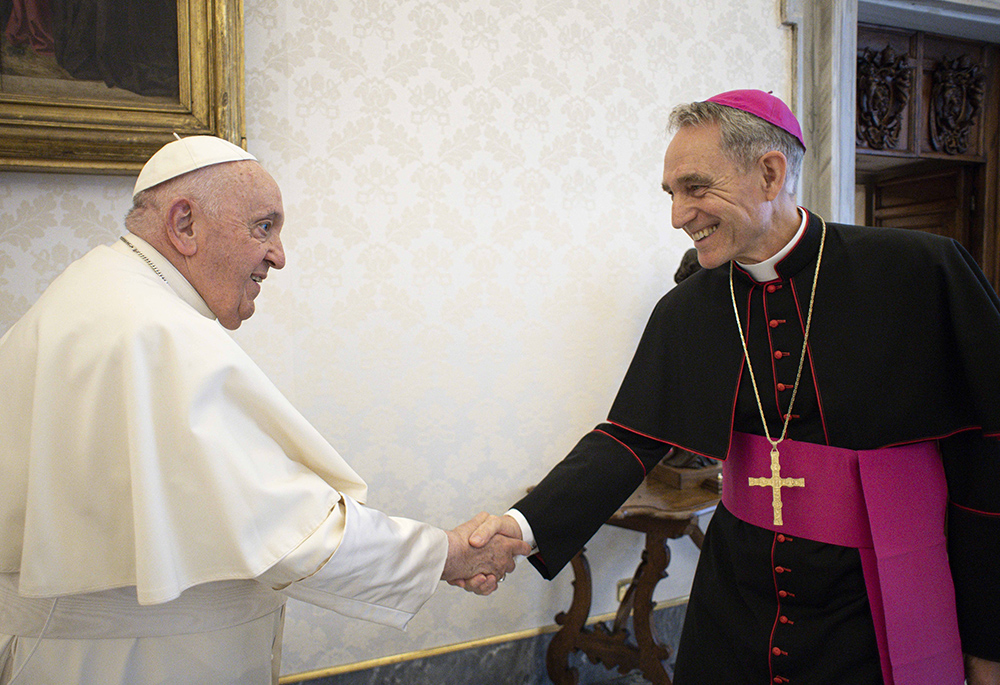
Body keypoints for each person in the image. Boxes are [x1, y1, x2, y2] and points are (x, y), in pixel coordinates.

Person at [464, 90, 1000, 684]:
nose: (677, 215)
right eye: (671, 194)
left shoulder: (920, 271)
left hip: (879, 593)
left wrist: (989, 641)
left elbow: (989, 461)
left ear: (769, 174)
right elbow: (627, 438)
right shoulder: (688, 307)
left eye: (696, 188)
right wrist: (521, 528)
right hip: (736, 596)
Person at [0, 135, 529, 685]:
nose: (278, 254)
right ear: (184, 225)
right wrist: (444, 554)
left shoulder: (97, 293)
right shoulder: (152, 332)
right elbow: (283, 529)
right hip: (139, 663)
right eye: (264, 227)